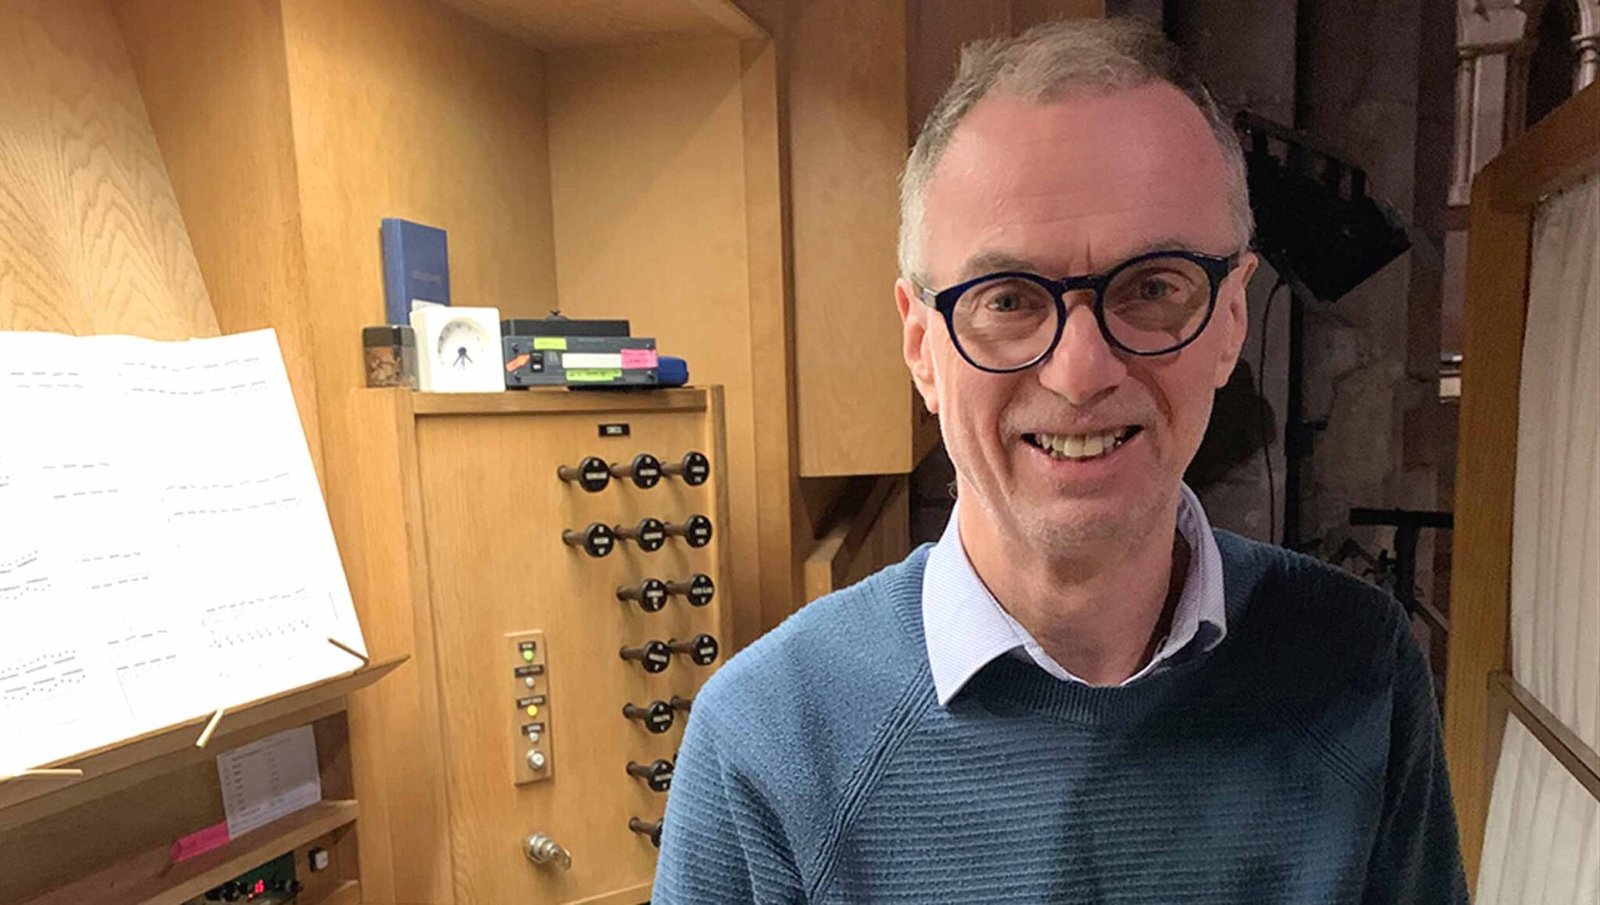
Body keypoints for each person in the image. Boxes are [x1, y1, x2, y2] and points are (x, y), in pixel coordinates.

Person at [654, 17, 1468, 903]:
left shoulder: (1361, 668)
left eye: (1153, 286)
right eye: (1007, 299)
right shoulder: (765, 744)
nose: (1081, 372)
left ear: (1231, 318)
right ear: (922, 345)